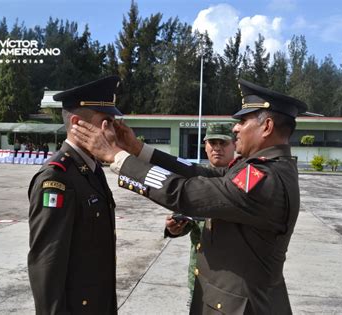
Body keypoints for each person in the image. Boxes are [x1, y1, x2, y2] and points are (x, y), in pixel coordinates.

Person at [72, 79, 307, 314]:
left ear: (266, 127)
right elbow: (199, 172)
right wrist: (138, 150)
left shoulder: (265, 179)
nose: (235, 128)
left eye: (243, 121)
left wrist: (118, 158)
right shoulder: (259, 167)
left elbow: (188, 193)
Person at [27, 76, 122, 315]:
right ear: (78, 124)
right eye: (106, 122)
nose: (112, 132)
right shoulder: (56, 179)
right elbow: (46, 266)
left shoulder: (92, 168)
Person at [165, 122, 236, 298]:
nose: (217, 148)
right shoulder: (195, 180)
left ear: (235, 145)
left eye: (223, 143)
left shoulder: (243, 178)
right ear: (205, 147)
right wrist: (174, 227)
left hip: (235, 277)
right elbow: (190, 222)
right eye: (213, 143)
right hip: (202, 272)